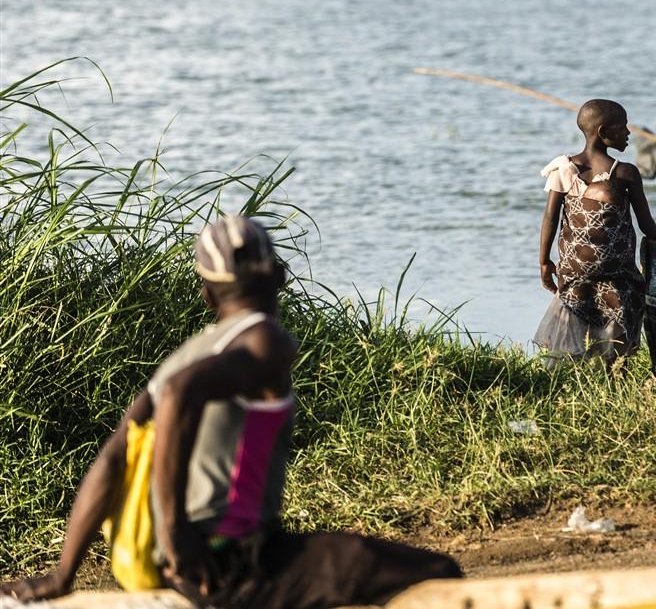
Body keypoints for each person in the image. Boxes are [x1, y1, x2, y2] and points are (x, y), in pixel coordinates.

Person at [1, 216, 462, 608]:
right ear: (280, 278)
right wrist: (180, 533)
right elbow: (183, 395)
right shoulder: (267, 341)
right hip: (233, 563)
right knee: (439, 572)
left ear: (207, 293)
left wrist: (63, 575)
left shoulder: (185, 356)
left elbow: (110, 460)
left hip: (183, 565)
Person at [535, 99, 656, 365]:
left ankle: (579, 368)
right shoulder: (626, 173)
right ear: (603, 132)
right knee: (621, 305)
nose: (629, 133)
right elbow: (645, 224)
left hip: (576, 270)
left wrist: (544, 261)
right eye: (623, 127)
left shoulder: (564, 170)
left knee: (576, 312)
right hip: (617, 271)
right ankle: (616, 367)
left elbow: (550, 218)